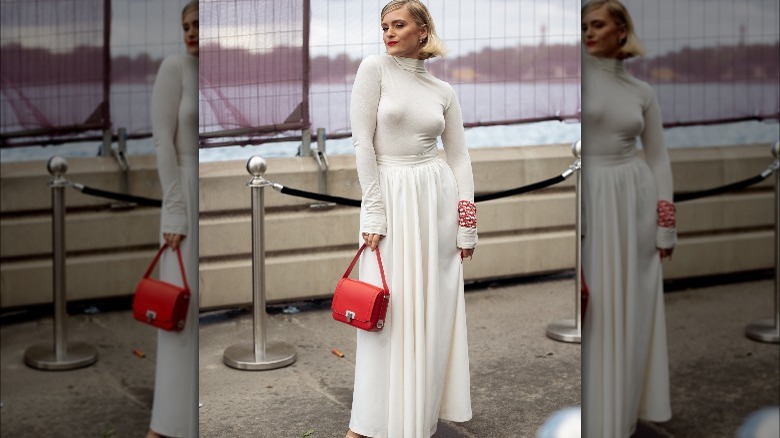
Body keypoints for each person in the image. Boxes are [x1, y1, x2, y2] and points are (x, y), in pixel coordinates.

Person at [346, 1, 477, 437]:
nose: (388, 31)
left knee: (433, 314)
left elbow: (459, 159)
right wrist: (374, 210)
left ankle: (418, 417)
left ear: (423, 31)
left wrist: (467, 223)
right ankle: (366, 426)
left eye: (398, 24)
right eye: (384, 25)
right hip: (391, 198)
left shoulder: (444, 91)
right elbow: (363, 144)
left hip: (435, 203)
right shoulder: (374, 69)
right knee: (387, 311)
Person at [580, 0, 676, 436]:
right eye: (583, 25)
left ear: (621, 30)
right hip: (592, 199)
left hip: (634, 202)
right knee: (597, 309)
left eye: (597, 24)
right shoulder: (578, 75)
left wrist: (665, 224)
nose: (588, 32)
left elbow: (658, 160)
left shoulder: (643, 92)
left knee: (633, 310)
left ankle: (621, 414)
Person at [147, 1, 199, 437]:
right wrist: (175, 210)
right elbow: (162, 142)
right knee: (177, 311)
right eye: (185, 26)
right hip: (181, 195)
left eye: (199, 24)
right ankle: (165, 425)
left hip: (211, 197)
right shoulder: (174, 67)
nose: (191, 32)